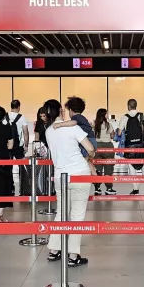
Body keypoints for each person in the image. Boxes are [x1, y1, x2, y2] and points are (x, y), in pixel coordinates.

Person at [42, 98, 94, 266]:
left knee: (61, 213)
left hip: (60, 176)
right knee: (77, 215)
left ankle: (54, 250)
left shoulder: (48, 131)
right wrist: (89, 157)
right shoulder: (74, 128)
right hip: (79, 174)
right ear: (61, 111)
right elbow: (91, 149)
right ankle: (73, 256)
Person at [116, 99, 144, 196]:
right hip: (141, 145)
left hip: (130, 146)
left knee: (131, 168)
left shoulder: (124, 117)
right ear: (136, 106)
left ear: (128, 106)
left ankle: (135, 189)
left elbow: (120, 133)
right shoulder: (143, 115)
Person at [92, 108, 116, 196]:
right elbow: (113, 136)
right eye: (106, 114)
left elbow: (91, 134)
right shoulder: (108, 125)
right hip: (108, 147)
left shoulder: (94, 124)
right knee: (108, 167)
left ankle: (97, 188)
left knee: (97, 168)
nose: (107, 115)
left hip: (97, 146)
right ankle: (109, 188)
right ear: (104, 115)